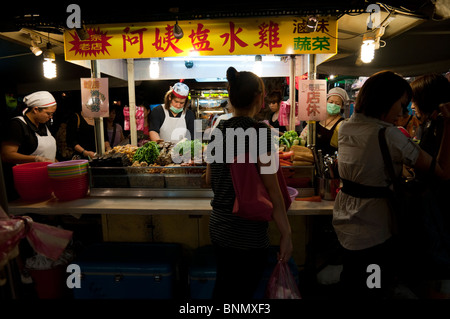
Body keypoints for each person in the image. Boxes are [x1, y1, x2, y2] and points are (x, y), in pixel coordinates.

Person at [332, 70, 450, 299]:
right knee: (374, 285)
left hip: (345, 223)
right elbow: (443, 172)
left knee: (353, 280)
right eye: (402, 104)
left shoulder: (346, 126)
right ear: (386, 100)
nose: (403, 112)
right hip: (374, 230)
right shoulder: (388, 134)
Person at [205, 67, 293, 299]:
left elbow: (207, 179)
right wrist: (287, 235)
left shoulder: (218, 130)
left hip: (219, 226)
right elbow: (273, 191)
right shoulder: (260, 133)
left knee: (225, 287)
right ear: (259, 97)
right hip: (248, 231)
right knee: (241, 292)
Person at [0, 91, 57, 201]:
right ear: (35, 109)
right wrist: (35, 159)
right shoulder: (17, 125)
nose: (50, 117)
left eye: (52, 114)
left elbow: (47, 154)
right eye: (48, 113)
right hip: (26, 185)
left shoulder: (42, 125)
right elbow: (6, 155)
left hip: (45, 181)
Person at [300, 87, 349, 155]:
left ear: (342, 106)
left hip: (327, 162)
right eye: (331, 102)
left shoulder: (342, 124)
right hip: (308, 159)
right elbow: (303, 136)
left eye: (337, 104)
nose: (333, 105)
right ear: (326, 102)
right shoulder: (317, 117)